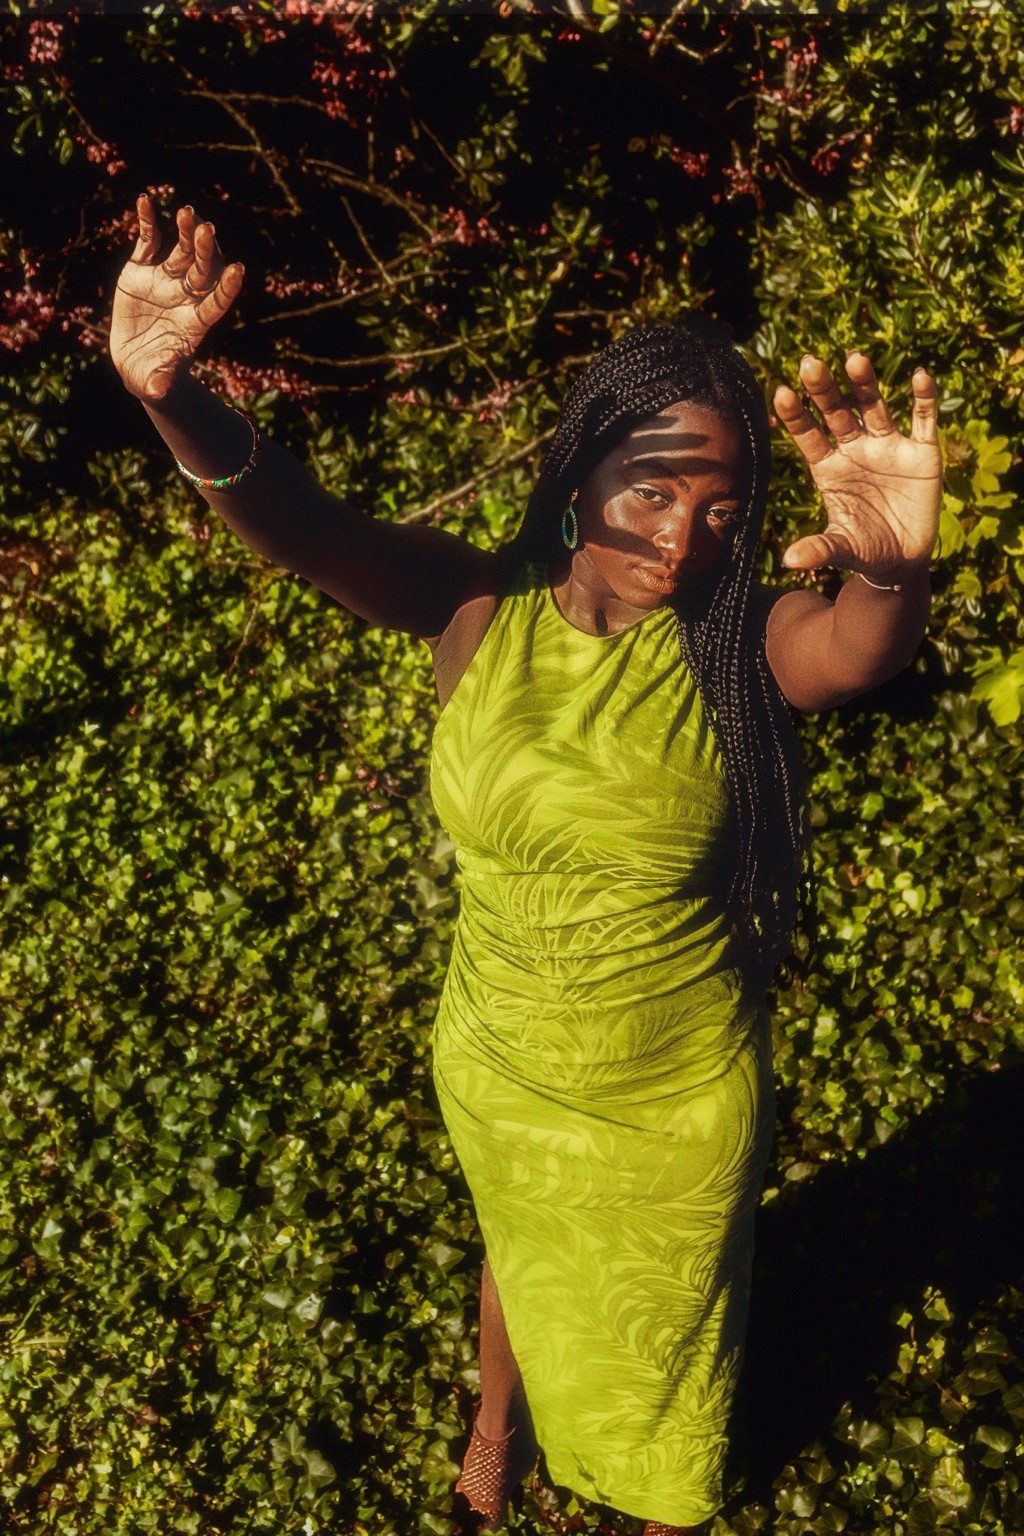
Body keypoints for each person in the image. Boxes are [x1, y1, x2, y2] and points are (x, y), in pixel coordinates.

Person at [109, 196, 942, 1536]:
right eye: (654, 491)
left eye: (723, 509)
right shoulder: (475, 610)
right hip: (500, 1057)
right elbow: (301, 522)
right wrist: (172, 397)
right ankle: (496, 1424)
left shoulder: (741, 648)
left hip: (672, 1096)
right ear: (580, 473)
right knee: (522, 1246)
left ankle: (658, 1501)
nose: (682, 540)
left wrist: (891, 575)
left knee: (671, 1347)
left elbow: (848, 653)